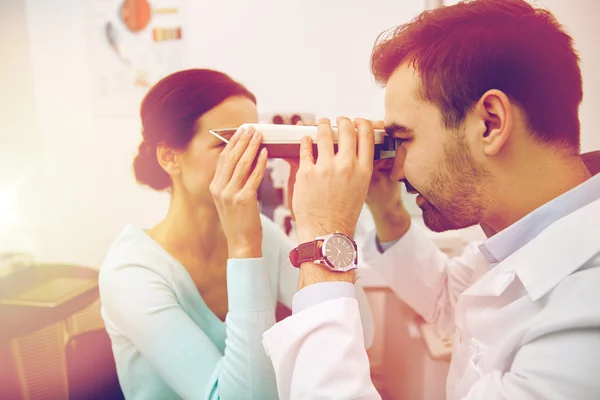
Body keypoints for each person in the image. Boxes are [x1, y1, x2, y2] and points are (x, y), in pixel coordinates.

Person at [220, 0, 600, 398]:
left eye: (403, 139)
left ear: (490, 123)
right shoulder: (524, 235)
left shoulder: (585, 312)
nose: (396, 168)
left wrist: (323, 242)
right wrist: (384, 207)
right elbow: (447, 300)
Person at [98, 69, 374, 400]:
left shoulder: (264, 234)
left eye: (258, 142)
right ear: (170, 157)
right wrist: (244, 249)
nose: (253, 159)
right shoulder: (130, 274)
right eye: (229, 143)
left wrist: (320, 220)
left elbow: (362, 333)